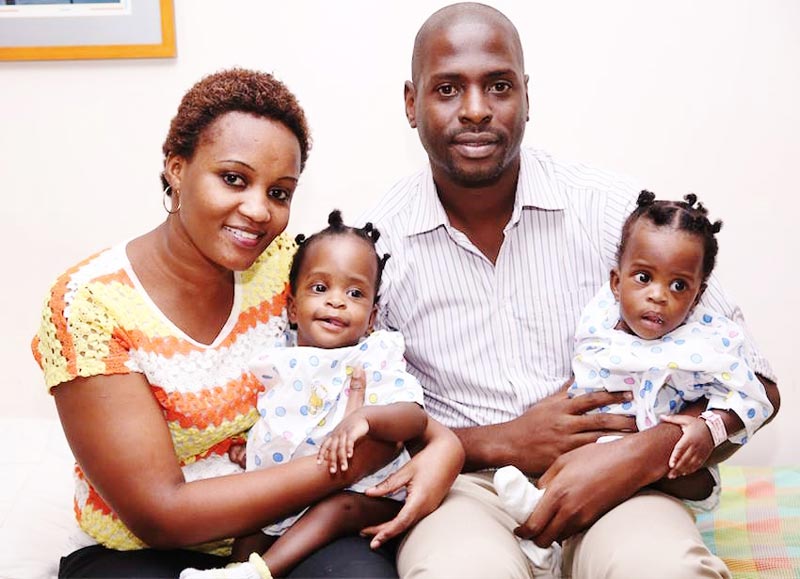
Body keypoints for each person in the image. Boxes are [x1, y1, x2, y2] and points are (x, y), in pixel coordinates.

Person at [359, 3, 780, 578]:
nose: (476, 110)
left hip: (620, 485)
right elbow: (356, 433)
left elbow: (757, 382)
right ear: (412, 103)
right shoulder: (375, 249)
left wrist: (642, 455)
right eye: (449, 88)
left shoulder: (616, 213)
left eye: (499, 86)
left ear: (527, 95)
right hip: (464, 495)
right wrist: (504, 441)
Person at [31, 68, 462, 579]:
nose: (259, 211)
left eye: (280, 192)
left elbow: (368, 374)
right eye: (233, 179)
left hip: (281, 527)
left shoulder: (288, 269)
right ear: (176, 167)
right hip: (137, 552)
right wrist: (343, 464)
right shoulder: (89, 305)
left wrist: (445, 447)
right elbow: (159, 516)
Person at [494, 191, 773, 576]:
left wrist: (710, 428)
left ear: (698, 296)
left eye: (679, 286)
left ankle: (546, 537)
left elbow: (755, 396)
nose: (658, 296)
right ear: (616, 281)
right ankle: (544, 540)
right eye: (644, 278)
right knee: (562, 474)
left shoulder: (706, 340)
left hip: (664, 468)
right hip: (592, 447)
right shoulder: (600, 320)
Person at [180, 210, 429, 579]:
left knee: (332, 511)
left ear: (373, 317)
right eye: (319, 288)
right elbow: (284, 420)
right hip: (293, 488)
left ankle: (260, 573)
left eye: (355, 292)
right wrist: (254, 448)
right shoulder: (280, 359)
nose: (336, 301)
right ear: (293, 309)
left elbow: (415, 417)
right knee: (251, 524)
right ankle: (235, 571)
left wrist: (365, 419)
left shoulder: (371, 356)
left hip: (362, 494)